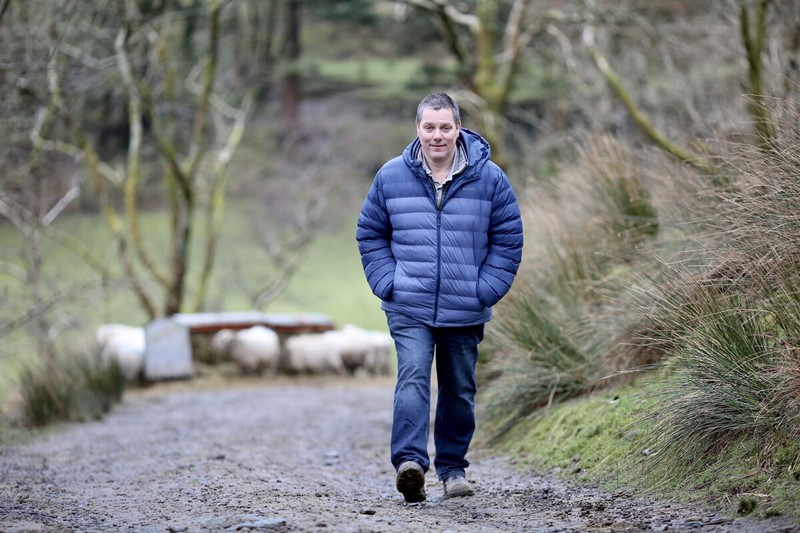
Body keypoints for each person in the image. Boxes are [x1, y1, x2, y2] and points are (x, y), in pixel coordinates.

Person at [356, 92, 523, 503]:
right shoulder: (391, 175)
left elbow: (508, 239)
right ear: (418, 129)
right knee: (412, 376)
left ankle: (453, 470)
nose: (437, 135)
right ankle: (410, 464)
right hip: (408, 304)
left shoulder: (491, 178)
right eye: (429, 127)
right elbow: (370, 233)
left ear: (458, 129)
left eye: (445, 127)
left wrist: (483, 290)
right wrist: (388, 282)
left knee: (459, 389)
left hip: (466, 307)